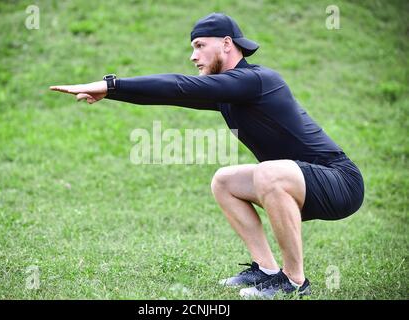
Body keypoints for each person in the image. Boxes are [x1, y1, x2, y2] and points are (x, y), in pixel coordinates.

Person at [50, 13, 364, 298]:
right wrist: (110, 93)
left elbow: (179, 86)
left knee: (269, 172)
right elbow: (169, 94)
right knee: (225, 181)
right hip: (299, 178)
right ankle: (265, 269)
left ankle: (294, 282)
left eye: (200, 46)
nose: (193, 55)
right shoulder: (227, 92)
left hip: (339, 181)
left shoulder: (256, 80)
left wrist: (110, 82)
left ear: (227, 44)